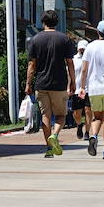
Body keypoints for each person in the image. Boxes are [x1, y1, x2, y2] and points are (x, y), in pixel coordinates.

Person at [25, 10, 77, 159]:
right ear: (57, 22)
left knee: (45, 116)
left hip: (41, 84)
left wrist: (28, 83)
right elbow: (70, 63)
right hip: (59, 83)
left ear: (43, 22)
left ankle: (49, 148)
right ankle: (55, 135)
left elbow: (31, 65)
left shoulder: (35, 40)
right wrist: (73, 82)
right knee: (60, 115)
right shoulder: (64, 39)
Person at [80, 21, 104, 158]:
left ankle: (93, 135)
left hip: (93, 88)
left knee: (97, 117)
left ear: (98, 32)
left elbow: (84, 70)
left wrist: (82, 87)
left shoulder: (90, 47)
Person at [71, 39, 90, 139]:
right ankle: (79, 125)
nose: (82, 51)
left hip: (88, 89)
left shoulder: (90, 59)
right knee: (76, 112)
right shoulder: (74, 59)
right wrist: (69, 87)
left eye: (84, 49)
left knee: (87, 110)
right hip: (77, 89)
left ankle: (87, 132)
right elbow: (70, 74)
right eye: (80, 49)